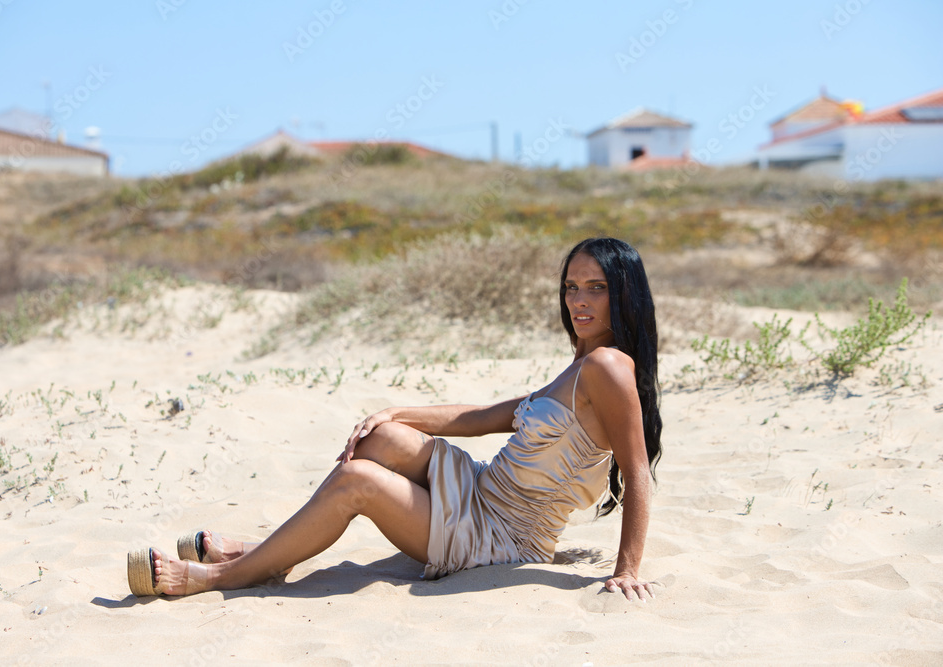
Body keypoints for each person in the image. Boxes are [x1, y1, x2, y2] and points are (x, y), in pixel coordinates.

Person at [126, 237, 663, 602]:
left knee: (357, 481)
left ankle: (223, 574)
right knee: (381, 439)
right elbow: (489, 416)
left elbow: (637, 471)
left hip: (502, 534)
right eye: (571, 287)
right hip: (480, 490)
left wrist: (627, 570)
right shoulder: (582, 363)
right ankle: (265, 552)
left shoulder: (609, 367)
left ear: (624, 293)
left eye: (596, 288)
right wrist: (397, 412)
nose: (578, 300)